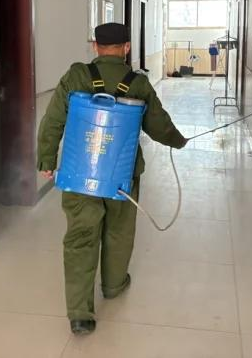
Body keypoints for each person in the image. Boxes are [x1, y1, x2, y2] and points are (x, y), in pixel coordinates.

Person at [37, 22, 187, 335]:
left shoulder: (76, 76)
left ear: (95, 46)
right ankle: (114, 285)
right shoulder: (138, 83)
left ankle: (80, 314)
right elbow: (158, 125)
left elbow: (52, 120)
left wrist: (47, 159)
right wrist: (178, 140)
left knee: (81, 236)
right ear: (126, 48)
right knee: (119, 231)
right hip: (122, 175)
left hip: (80, 174)